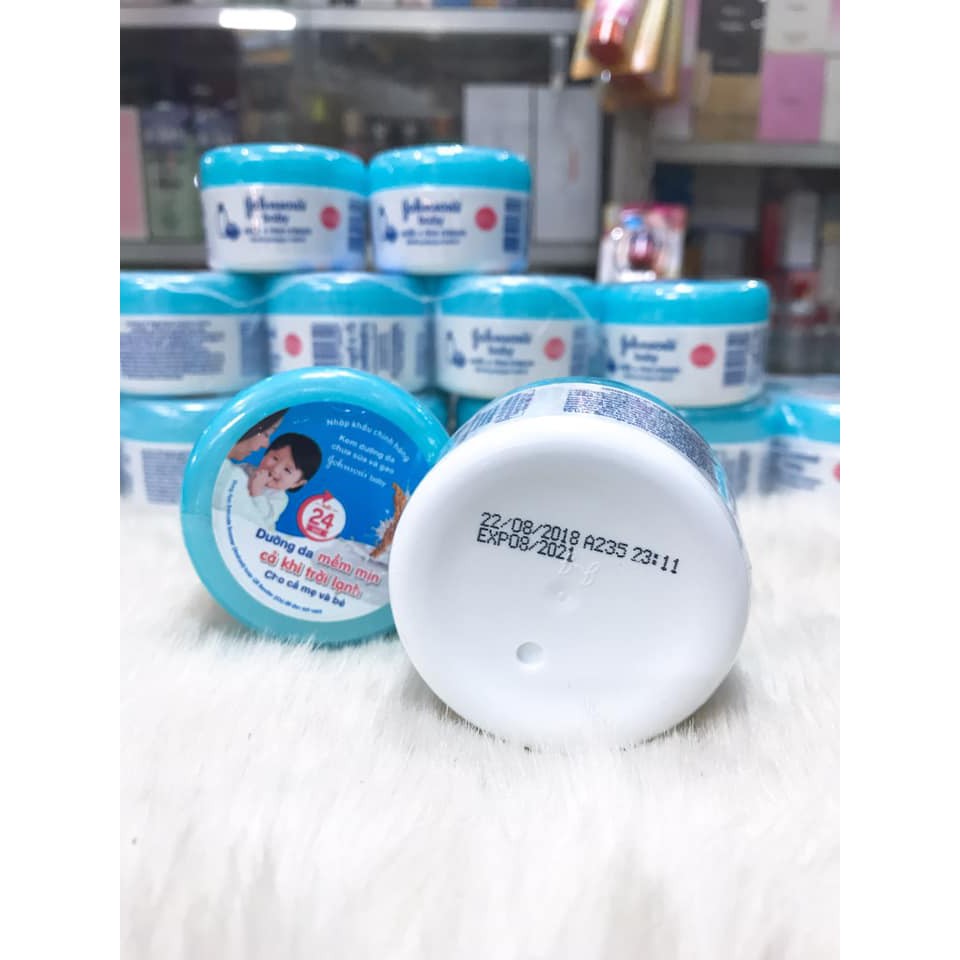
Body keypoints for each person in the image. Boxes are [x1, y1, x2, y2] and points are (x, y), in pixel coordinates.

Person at [213, 432, 322, 529]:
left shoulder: (279, 498)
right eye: (275, 458)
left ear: (297, 483)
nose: (275, 469)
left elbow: (263, 520)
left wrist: (256, 491)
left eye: (287, 470)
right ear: (265, 454)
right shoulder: (245, 469)